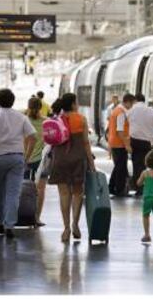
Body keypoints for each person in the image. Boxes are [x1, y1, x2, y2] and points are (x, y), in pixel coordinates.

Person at [0, 88, 37, 239]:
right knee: (13, 194)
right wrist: (27, 157)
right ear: (13, 101)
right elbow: (33, 137)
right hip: (17, 158)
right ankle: (10, 224)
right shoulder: (21, 117)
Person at [48, 93, 95, 242]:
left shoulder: (56, 120)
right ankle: (75, 224)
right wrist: (92, 164)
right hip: (77, 160)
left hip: (60, 160)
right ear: (74, 104)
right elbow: (86, 143)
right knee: (77, 193)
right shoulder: (81, 119)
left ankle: (66, 228)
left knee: (64, 194)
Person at [128, 94, 153, 196]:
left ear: (135, 100)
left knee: (136, 165)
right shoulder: (150, 110)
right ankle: (146, 187)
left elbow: (126, 120)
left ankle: (138, 188)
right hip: (146, 142)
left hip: (134, 141)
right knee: (147, 165)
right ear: (144, 101)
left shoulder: (131, 110)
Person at [24, 97, 47, 227]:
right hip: (42, 161)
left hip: (25, 159)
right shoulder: (46, 122)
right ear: (40, 107)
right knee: (41, 189)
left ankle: (23, 215)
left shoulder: (24, 121)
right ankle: (36, 218)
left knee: (23, 189)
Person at [108, 93, 136, 198]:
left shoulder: (116, 111)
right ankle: (119, 190)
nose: (132, 106)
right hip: (119, 144)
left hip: (115, 142)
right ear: (127, 102)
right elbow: (120, 130)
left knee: (118, 167)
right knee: (120, 168)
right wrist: (127, 145)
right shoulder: (120, 113)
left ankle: (111, 187)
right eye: (132, 104)